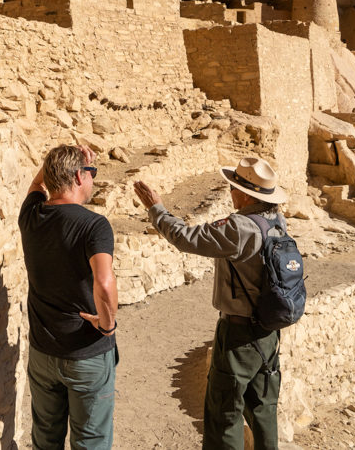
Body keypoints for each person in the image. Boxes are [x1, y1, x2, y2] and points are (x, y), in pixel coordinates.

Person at [134, 157, 289, 450]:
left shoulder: (240, 227)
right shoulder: (277, 221)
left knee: (224, 412)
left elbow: (185, 237)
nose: (231, 193)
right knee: (263, 410)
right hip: (269, 332)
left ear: (245, 194)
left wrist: (156, 209)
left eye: (233, 188)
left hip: (238, 335)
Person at [19, 144, 118, 450]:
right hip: (86, 353)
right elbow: (103, 283)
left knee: (45, 439)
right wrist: (107, 325)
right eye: (91, 173)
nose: (93, 179)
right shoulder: (94, 225)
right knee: (90, 442)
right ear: (79, 176)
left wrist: (54, 165)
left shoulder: (32, 215)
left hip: (43, 351)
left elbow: (37, 185)